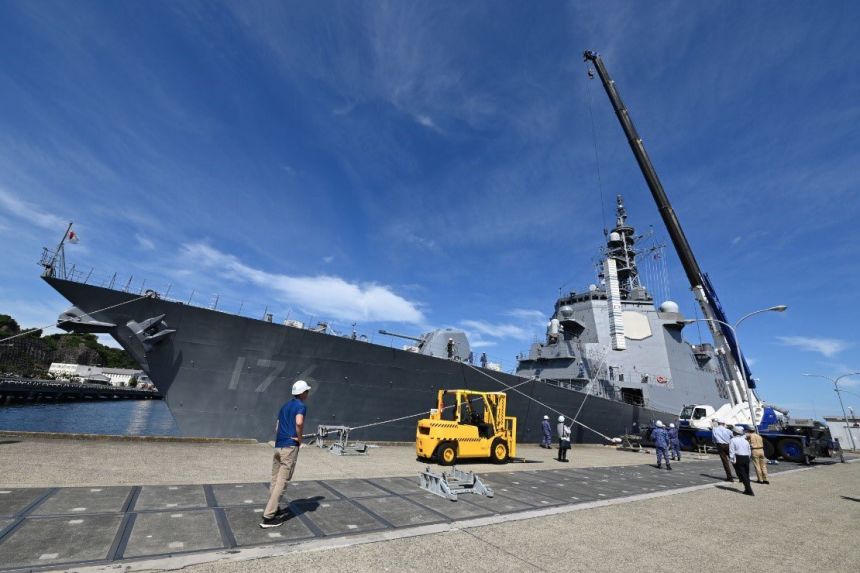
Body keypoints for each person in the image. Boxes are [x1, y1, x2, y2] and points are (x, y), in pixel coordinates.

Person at [260, 380, 311, 528]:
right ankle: (268, 517)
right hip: (290, 447)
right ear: (302, 393)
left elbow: (277, 427)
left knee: (275, 480)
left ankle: (273, 509)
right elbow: (299, 422)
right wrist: (299, 439)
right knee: (282, 482)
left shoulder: (285, 406)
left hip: (279, 445)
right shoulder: (301, 406)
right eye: (306, 391)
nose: (308, 394)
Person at [729, 425, 754, 496]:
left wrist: (732, 459)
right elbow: (749, 450)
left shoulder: (733, 440)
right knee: (746, 474)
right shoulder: (745, 440)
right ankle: (747, 488)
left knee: (742, 474)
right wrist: (748, 457)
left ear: (735, 433)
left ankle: (749, 490)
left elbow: (732, 451)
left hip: (739, 457)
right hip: (746, 457)